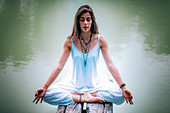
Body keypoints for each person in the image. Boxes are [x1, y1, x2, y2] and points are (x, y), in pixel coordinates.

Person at [33, 5, 133, 106]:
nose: (85, 23)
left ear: (92, 21)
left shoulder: (100, 40)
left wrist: (123, 87)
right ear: (78, 22)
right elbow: (59, 66)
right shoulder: (70, 41)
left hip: (96, 85)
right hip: (74, 85)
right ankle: (81, 97)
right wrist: (45, 87)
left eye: (88, 19)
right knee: (46, 94)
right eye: (82, 20)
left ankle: (89, 95)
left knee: (120, 96)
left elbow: (110, 65)